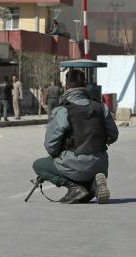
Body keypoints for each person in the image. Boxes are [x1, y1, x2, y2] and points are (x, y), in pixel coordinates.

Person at [32, 69, 119, 204]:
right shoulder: (101, 107)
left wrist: (59, 153)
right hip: (100, 164)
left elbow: (51, 146)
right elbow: (113, 135)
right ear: (85, 85)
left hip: (74, 163)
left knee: (38, 165)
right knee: (84, 196)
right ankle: (94, 184)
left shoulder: (62, 110)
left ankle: (74, 187)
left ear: (66, 86)